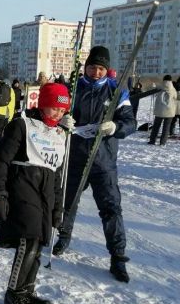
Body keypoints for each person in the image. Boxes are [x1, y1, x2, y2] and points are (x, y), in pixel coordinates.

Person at [0, 83, 73, 304]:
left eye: (62, 110)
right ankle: (13, 293)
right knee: (30, 237)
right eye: (53, 108)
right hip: (21, 185)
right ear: (42, 103)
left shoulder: (59, 134)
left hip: (44, 191)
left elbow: (56, 174)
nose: (57, 113)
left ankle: (26, 290)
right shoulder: (21, 125)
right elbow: (0, 161)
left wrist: (57, 208)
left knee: (40, 240)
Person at [52, 46, 136, 283]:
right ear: (86, 66)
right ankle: (63, 237)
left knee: (111, 208)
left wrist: (115, 128)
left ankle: (117, 257)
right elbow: (53, 114)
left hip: (103, 162)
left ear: (106, 69)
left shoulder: (116, 90)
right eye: (92, 67)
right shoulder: (74, 88)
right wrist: (61, 121)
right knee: (67, 204)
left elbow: (130, 122)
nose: (96, 72)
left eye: (100, 68)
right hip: (76, 157)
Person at [148, 75, 177, 146]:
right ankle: (162, 142)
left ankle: (152, 140)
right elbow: (176, 97)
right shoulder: (173, 89)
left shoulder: (160, 87)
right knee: (166, 127)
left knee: (156, 126)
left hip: (159, 110)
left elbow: (154, 93)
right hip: (169, 111)